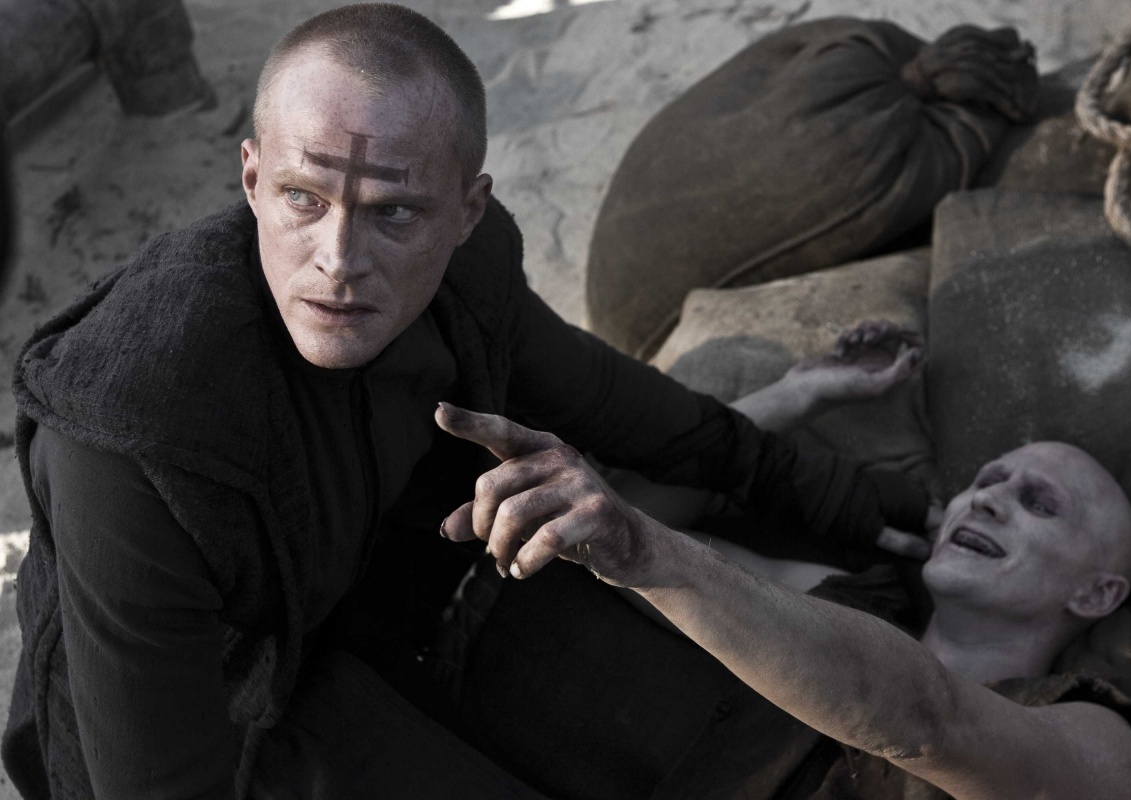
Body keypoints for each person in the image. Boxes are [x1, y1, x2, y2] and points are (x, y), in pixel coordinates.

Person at [1, 5, 931, 799]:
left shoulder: (466, 280)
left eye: (394, 212)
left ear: (466, 212)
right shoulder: (135, 427)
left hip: (385, 600)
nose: (339, 260)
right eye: (302, 198)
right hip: (228, 716)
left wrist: (854, 500)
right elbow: (158, 785)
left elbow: (627, 409)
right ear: (251, 179)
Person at [435, 399, 1131, 799]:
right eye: (988, 481)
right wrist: (801, 392)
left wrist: (650, 553)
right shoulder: (856, 598)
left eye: (1039, 503)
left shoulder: (1107, 738)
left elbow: (928, 719)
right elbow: (644, 527)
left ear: (1098, 593)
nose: (988, 499)